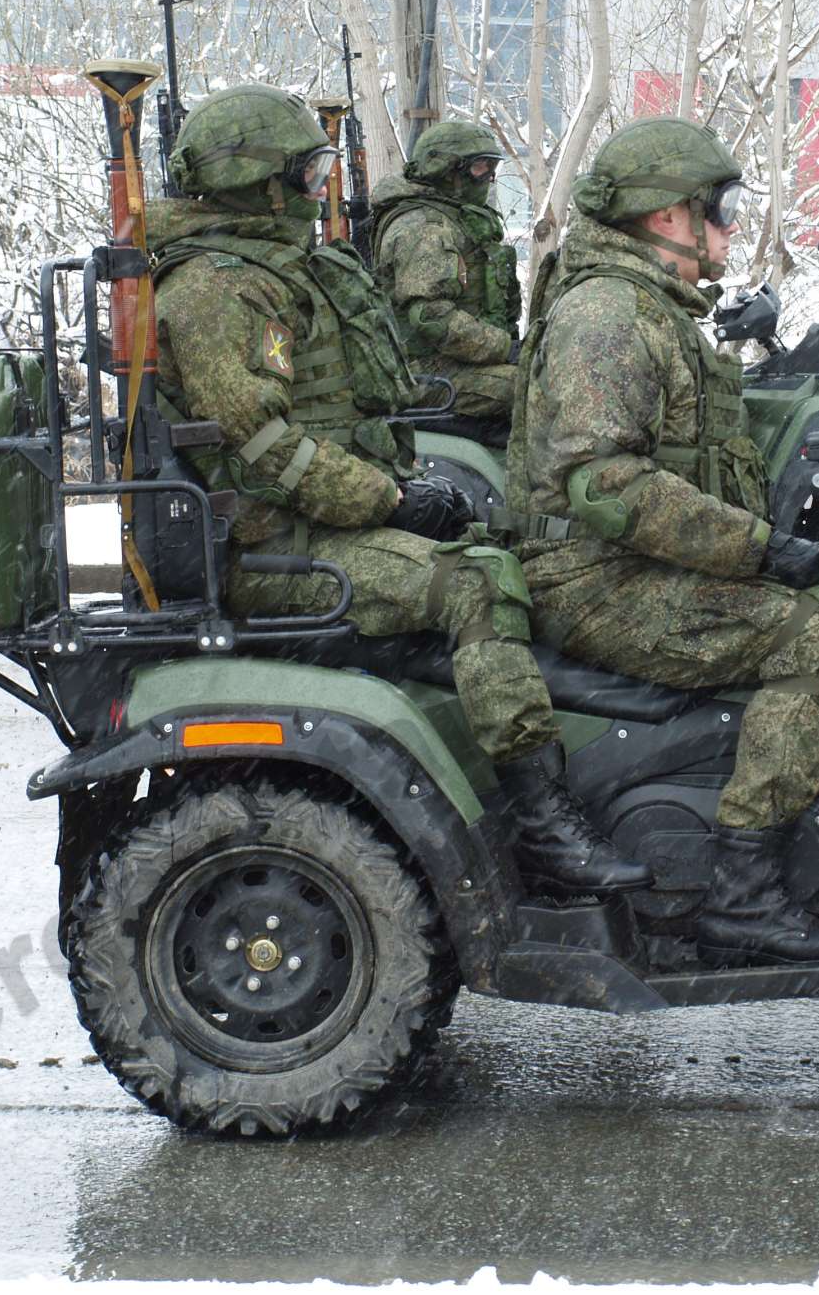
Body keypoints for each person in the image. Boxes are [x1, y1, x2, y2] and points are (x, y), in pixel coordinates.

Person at [148, 83, 648, 898]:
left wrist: (405, 487)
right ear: (256, 183)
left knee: (499, 545)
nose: (319, 191)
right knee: (477, 587)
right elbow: (270, 448)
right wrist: (390, 501)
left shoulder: (272, 268)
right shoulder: (214, 290)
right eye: (306, 175)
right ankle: (543, 824)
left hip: (319, 525)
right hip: (276, 549)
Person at [505, 117, 819, 968]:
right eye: (723, 206)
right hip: (593, 578)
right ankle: (745, 892)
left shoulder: (647, 306)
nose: (730, 226)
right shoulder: (606, 313)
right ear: (667, 216)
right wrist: (758, 547)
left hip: (624, 564)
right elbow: (604, 484)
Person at [371, 119, 521, 420]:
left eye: (493, 167)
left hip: (453, 362)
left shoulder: (452, 217)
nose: (489, 177)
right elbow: (431, 318)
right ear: (446, 169)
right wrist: (505, 348)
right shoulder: (425, 228)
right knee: (535, 388)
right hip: (423, 374)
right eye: (480, 167)